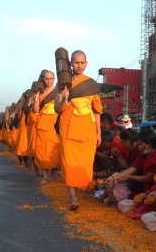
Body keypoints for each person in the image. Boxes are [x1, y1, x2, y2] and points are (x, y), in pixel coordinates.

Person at [55, 50, 102, 211]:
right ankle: (72, 197)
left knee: (83, 162)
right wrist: (65, 98)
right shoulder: (62, 84)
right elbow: (57, 109)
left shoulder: (91, 84)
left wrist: (99, 132)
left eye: (82, 63)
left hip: (86, 128)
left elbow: (96, 111)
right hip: (68, 126)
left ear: (86, 63)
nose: (79, 66)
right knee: (69, 161)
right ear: (70, 63)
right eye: (76, 62)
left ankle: (75, 191)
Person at [32, 70, 60, 185]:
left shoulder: (58, 91)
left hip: (55, 123)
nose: (49, 81)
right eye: (46, 79)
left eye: (51, 78)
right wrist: (35, 99)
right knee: (42, 149)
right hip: (43, 124)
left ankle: (53, 173)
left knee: (54, 148)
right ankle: (45, 176)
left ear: (54, 79)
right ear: (43, 79)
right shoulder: (40, 93)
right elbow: (35, 110)